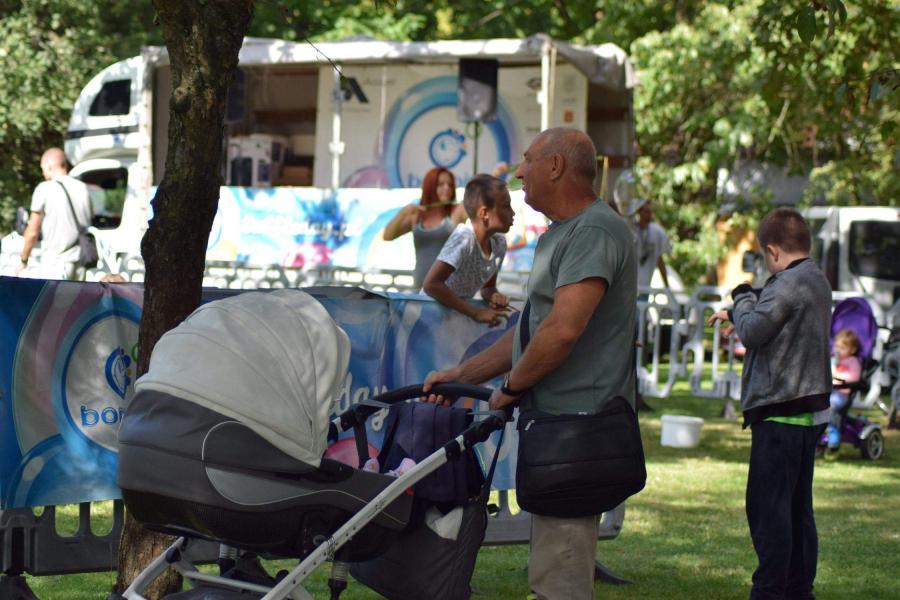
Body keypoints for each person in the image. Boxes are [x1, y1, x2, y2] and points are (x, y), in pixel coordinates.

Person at [424, 127, 637, 600]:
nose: (519, 172)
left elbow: (562, 331)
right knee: (549, 572)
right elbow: (530, 334)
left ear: (555, 166)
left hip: (578, 430)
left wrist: (511, 388)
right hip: (557, 430)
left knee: (559, 581)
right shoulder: (565, 232)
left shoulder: (594, 230)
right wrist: (461, 376)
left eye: (527, 160)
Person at [707, 207, 831, 600]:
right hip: (806, 413)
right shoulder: (816, 279)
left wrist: (742, 295)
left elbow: (753, 331)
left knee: (768, 510)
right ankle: (798, 590)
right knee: (796, 510)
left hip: (780, 413)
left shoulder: (786, 283)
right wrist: (744, 309)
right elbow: (774, 313)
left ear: (773, 250)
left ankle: (770, 590)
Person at [422, 174, 514, 326]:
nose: (512, 213)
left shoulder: (499, 244)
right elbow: (431, 284)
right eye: (506, 206)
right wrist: (475, 313)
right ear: (484, 213)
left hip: (454, 321)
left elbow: (488, 287)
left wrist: (494, 296)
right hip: (428, 318)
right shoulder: (464, 238)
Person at [382, 167, 467, 289]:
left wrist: (494, 176)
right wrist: (403, 212)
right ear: (430, 187)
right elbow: (387, 236)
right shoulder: (417, 216)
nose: (447, 188)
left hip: (449, 290)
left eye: (450, 184)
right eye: (440, 184)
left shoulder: (457, 210)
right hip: (419, 289)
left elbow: (478, 205)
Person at [16, 147, 92, 280]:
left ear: (49, 166)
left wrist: (23, 260)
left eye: (42, 168)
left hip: (56, 263)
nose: (43, 173)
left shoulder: (44, 189)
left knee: (51, 295)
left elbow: (32, 232)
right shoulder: (83, 188)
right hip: (81, 262)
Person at [826, 328, 862, 454]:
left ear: (852, 349)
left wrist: (836, 374)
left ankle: (834, 435)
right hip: (830, 391)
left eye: (842, 347)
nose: (838, 350)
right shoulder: (834, 360)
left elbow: (854, 377)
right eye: (836, 346)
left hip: (842, 394)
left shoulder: (853, 361)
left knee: (831, 407)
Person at [632, 198, 671, 290]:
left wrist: (667, 286)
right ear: (639, 212)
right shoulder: (631, 229)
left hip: (645, 287)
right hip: (629, 287)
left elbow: (660, 260)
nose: (649, 215)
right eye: (646, 211)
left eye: (651, 211)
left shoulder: (657, 232)